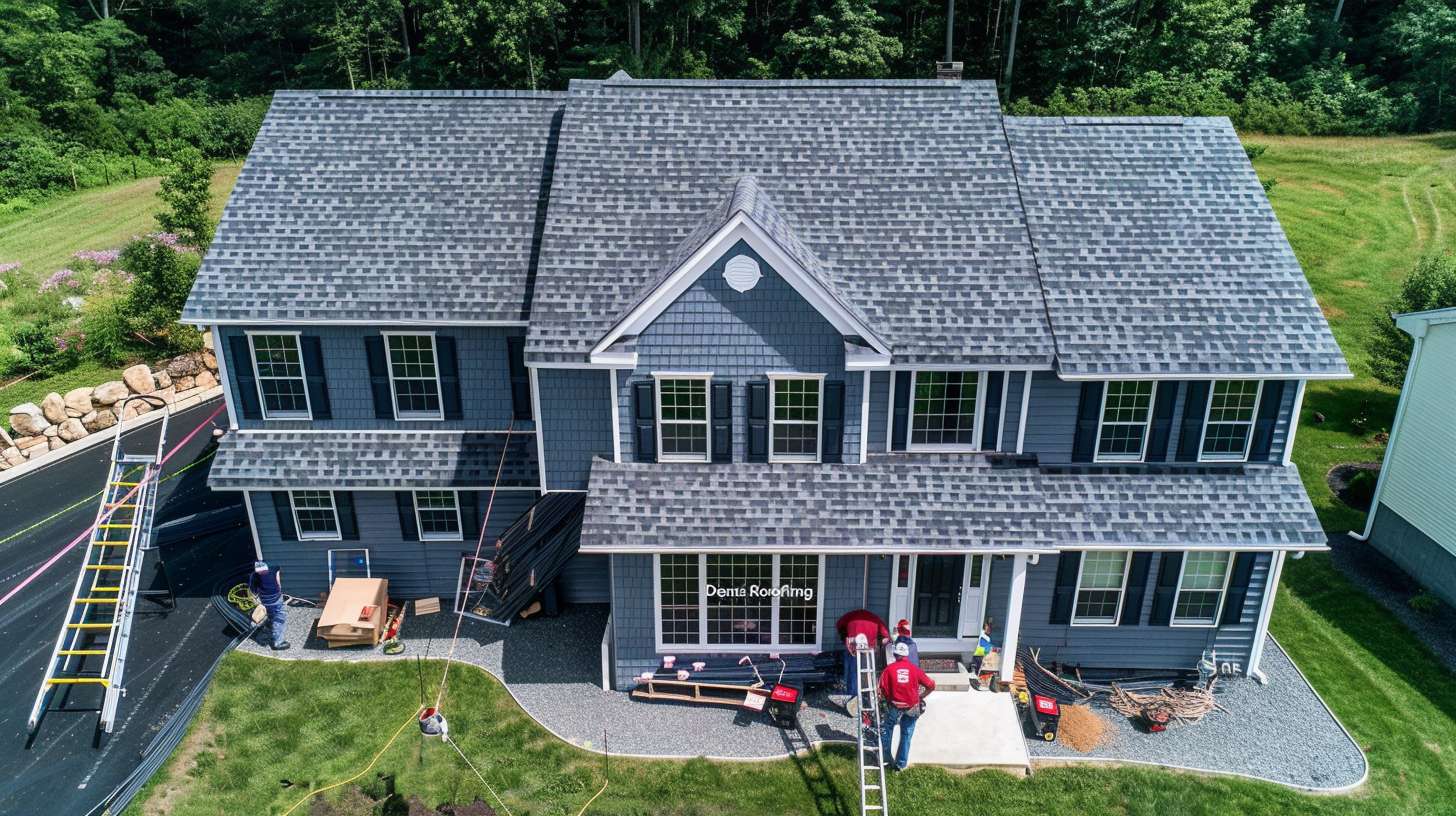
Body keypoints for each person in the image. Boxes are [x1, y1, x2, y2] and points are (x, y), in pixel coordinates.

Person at [878, 641, 935, 771]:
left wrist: (886, 699)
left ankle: (886, 760)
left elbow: (880, 689)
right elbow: (931, 685)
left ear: (895, 654)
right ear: (907, 655)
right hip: (912, 706)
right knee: (906, 734)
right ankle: (901, 764)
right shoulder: (915, 669)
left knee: (887, 730)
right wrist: (921, 696)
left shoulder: (888, 670)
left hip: (894, 705)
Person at [836, 608, 890, 698]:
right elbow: (886, 637)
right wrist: (877, 642)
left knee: (852, 673)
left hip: (852, 649)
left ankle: (852, 696)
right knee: (869, 674)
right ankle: (868, 695)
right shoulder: (875, 619)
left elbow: (839, 625)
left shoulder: (849, 617)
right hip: (869, 650)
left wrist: (845, 635)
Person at [252, 561, 290, 651]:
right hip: (275, 599)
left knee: (271, 614)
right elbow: (278, 578)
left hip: (265, 600)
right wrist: (278, 587)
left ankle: (269, 626)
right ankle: (277, 643)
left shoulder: (254, 575)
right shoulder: (272, 570)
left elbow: (254, 591)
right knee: (279, 619)